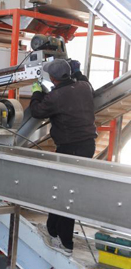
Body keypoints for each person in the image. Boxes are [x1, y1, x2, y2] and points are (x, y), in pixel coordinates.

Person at [30, 58, 97, 256]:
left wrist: (36, 92)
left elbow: (36, 111)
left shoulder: (55, 97)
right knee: (61, 190)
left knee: (66, 195)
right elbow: (83, 81)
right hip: (87, 146)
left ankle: (66, 243)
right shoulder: (84, 87)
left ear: (52, 78)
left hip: (70, 149)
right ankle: (52, 230)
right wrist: (76, 71)